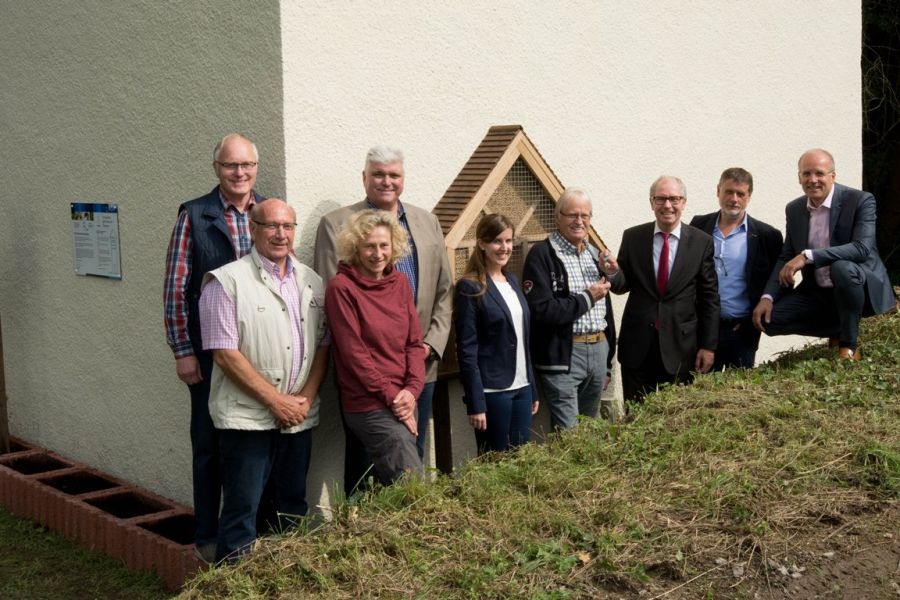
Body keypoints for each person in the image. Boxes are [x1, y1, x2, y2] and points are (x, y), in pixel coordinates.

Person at [314, 146, 452, 492]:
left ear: (403, 179)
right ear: (364, 178)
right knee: (367, 471)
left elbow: (444, 291)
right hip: (368, 379)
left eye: (394, 175)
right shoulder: (336, 225)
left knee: (411, 458)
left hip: (419, 367)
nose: (386, 181)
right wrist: (392, 390)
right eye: (378, 174)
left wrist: (427, 346)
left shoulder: (427, 220)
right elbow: (339, 314)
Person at [198, 199, 328, 564]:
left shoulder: (311, 281)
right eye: (271, 225)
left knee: (291, 506)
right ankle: (233, 584)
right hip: (247, 419)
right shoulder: (226, 281)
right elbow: (224, 354)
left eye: (287, 226)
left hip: (298, 417)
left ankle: (288, 582)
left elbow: (323, 345)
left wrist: (305, 397)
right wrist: (275, 401)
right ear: (252, 229)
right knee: (242, 511)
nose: (281, 234)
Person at [163, 133, 265, 563]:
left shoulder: (268, 212)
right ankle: (207, 538)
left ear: (256, 168)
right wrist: (183, 350)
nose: (239, 173)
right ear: (216, 169)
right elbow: (175, 290)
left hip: (258, 351)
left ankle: (254, 532)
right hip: (207, 356)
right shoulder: (195, 215)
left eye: (246, 165)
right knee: (208, 447)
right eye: (230, 166)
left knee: (256, 444)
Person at [751, 149, 896, 359]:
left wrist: (808, 256)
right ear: (799, 177)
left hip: (858, 285)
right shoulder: (794, 209)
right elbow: (786, 255)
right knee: (767, 319)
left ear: (833, 176)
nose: (813, 180)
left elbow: (862, 248)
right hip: (819, 291)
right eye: (806, 174)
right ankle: (839, 327)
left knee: (842, 268)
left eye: (819, 173)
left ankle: (849, 344)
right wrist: (768, 297)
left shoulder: (860, 200)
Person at [324, 210, 424, 484]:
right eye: (369, 246)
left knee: (392, 484)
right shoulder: (341, 288)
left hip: (404, 397)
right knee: (412, 483)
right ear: (355, 247)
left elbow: (414, 343)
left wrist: (412, 391)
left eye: (384, 245)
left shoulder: (400, 283)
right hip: (368, 402)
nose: (378, 253)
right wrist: (395, 398)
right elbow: (354, 355)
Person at [604, 176, 719, 402]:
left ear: (683, 202)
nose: (667, 205)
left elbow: (709, 298)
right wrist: (612, 272)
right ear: (651, 202)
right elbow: (622, 285)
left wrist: (708, 346)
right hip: (638, 348)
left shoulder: (701, 242)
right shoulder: (633, 237)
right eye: (661, 199)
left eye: (674, 199)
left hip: (680, 350)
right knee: (634, 420)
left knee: (674, 422)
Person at [522, 188, 617, 429]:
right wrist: (587, 297)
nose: (579, 221)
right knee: (570, 433)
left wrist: (612, 271)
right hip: (564, 354)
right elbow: (543, 310)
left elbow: (614, 296)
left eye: (585, 216)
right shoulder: (542, 254)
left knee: (589, 427)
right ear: (558, 217)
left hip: (598, 349)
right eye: (572, 215)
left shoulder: (595, 253)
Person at [454, 214, 539, 453]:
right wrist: (476, 402)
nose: (505, 248)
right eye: (497, 241)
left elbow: (523, 340)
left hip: (522, 387)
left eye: (509, 241)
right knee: (495, 464)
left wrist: (532, 387)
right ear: (481, 243)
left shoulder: (512, 280)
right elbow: (467, 349)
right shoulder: (470, 287)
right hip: (493, 392)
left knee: (521, 460)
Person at [689, 168, 783, 369]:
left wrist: (753, 322)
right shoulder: (698, 225)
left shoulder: (767, 236)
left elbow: (775, 283)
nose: (734, 199)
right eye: (729, 192)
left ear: (749, 196)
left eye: (740, 194)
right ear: (718, 191)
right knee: (700, 394)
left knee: (738, 395)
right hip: (701, 330)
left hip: (742, 331)